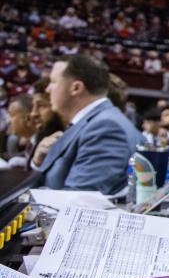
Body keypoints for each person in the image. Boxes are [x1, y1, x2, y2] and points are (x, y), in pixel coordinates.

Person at [33, 55, 140, 195]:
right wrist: (39, 163)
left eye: (53, 82)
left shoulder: (106, 127)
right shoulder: (96, 121)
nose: (48, 89)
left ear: (76, 88)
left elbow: (79, 200)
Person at [5, 95, 35, 167]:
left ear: (27, 117)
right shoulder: (32, 141)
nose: (8, 121)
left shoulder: (44, 141)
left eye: (12, 115)